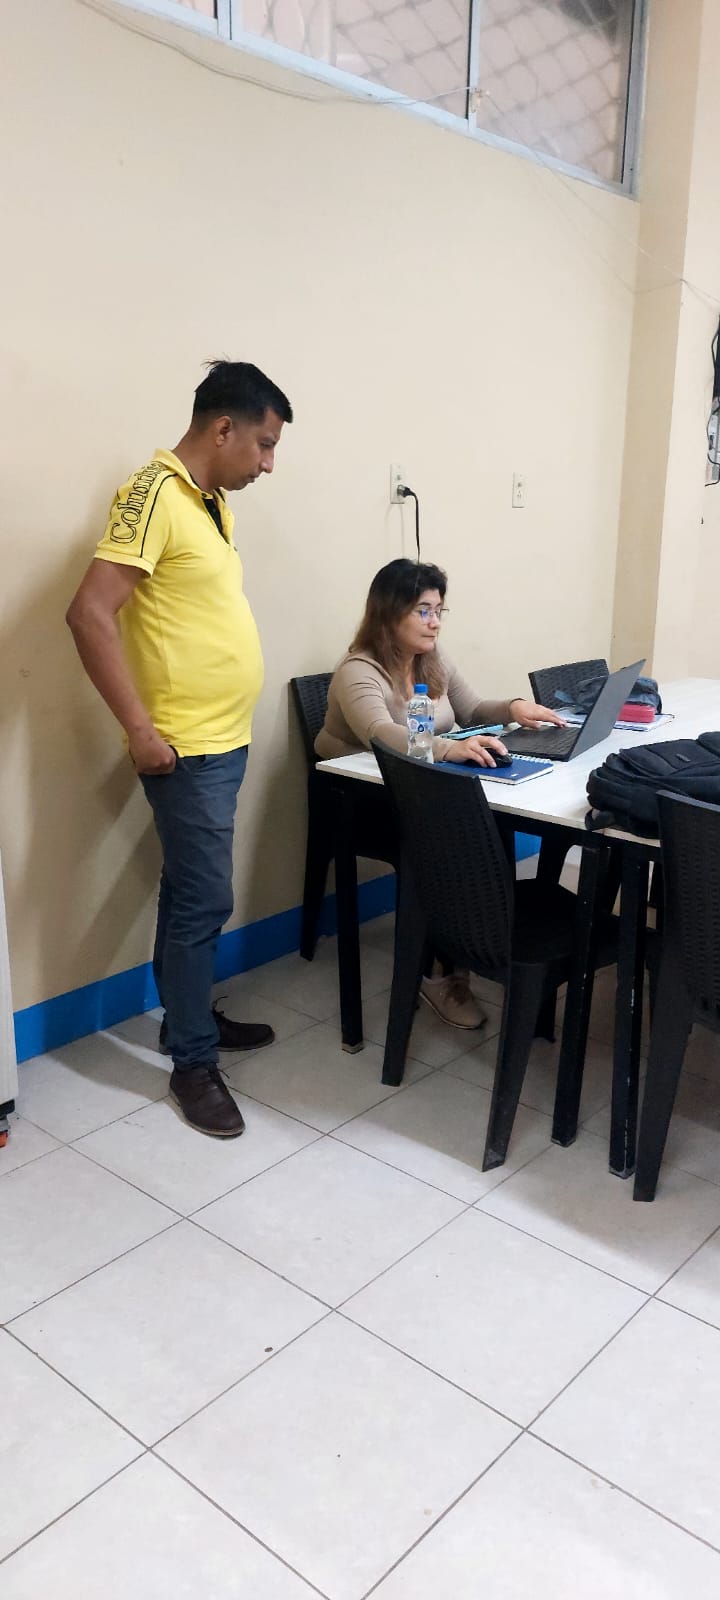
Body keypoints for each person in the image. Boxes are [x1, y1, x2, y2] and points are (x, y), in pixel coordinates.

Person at [66, 361, 293, 1139]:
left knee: (189, 894)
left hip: (221, 738)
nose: (268, 464)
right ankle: (193, 1064)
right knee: (205, 899)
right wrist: (139, 729)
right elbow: (89, 613)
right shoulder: (153, 493)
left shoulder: (210, 502)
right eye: (264, 444)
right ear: (222, 428)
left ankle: (186, 1021)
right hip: (184, 749)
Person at [315, 558, 565, 1029]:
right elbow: (379, 732)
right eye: (423, 611)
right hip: (363, 802)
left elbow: (472, 708)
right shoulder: (358, 670)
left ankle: (473, 947)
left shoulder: (432, 657)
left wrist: (515, 707)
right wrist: (450, 748)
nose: (434, 622)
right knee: (460, 839)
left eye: (438, 611)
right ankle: (438, 972)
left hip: (420, 786)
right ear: (390, 613)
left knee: (484, 827)